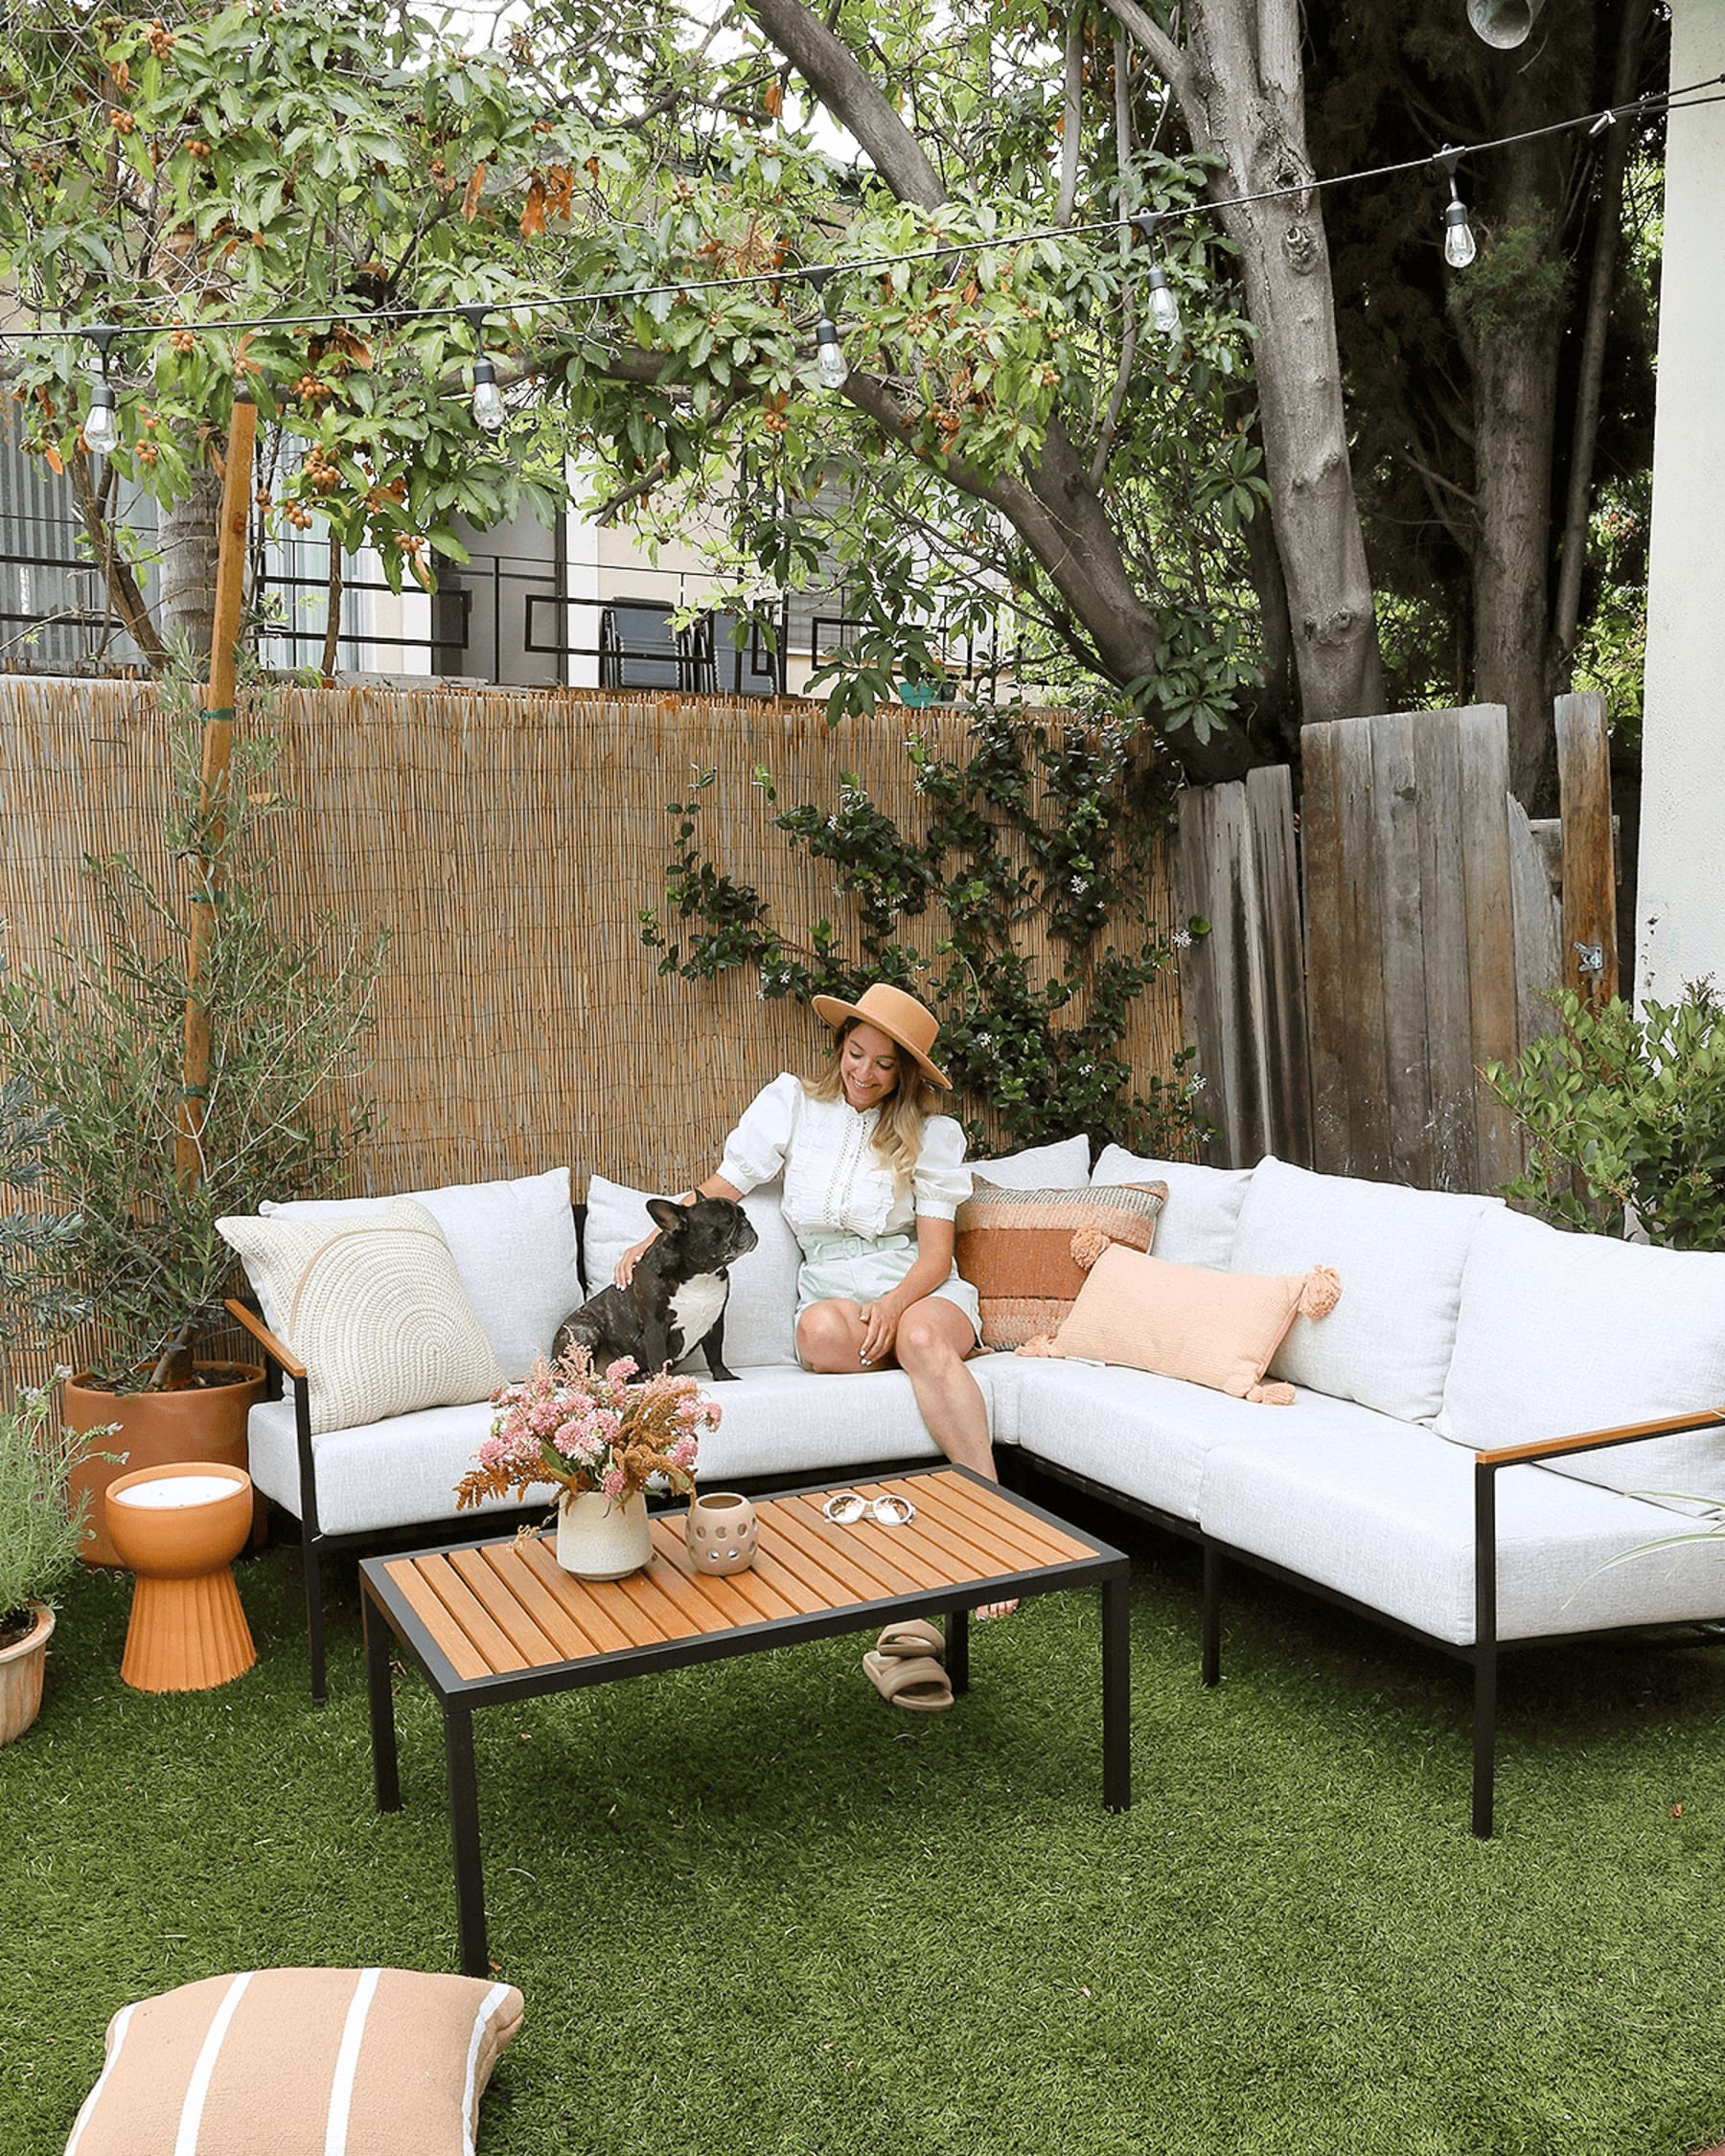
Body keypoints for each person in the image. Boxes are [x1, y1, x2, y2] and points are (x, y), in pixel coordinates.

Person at [617, 981, 1016, 1617]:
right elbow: (727, 1185)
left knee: (917, 1335)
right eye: (857, 1054)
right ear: (840, 1046)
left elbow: (937, 1255)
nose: (866, 1073)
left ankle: (995, 1527)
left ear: (904, 1073)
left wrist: (893, 1306)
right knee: (819, 1338)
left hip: (916, 1284)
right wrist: (651, 1237)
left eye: (886, 1064)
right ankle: (934, 1365)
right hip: (831, 1291)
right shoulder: (794, 1104)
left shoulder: (930, 1133)